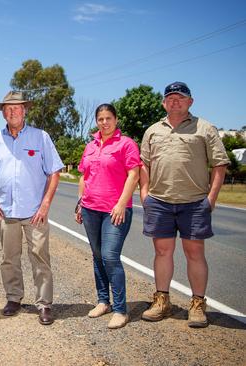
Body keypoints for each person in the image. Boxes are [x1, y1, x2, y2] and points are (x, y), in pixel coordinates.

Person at [139, 82, 229, 328]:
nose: (175, 101)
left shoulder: (205, 128)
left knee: (194, 253)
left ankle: (198, 304)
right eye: (170, 98)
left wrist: (210, 199)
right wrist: (145, 193)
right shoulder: (153, 131)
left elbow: (219, 165)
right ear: (163, 103)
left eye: (180, 98)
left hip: (194, 202)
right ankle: (162, 301)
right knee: (162, 252)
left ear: (190, 101)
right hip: (159, 201)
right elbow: (143, 164)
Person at [0, 91, 64, 325]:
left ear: (25, 110)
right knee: (9, 258)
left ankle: (44, 304)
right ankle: (14, 298)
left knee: (40, 257)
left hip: (36, 211)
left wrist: (46, 203)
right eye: (8, 108)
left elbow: (54, 171)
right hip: (6, 212)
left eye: (17, 107)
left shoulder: (41, 137)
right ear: (3, 112)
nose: (12, 111)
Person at [74, 103, 141, 329]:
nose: (104, 122)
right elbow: (84, 176)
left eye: (108, 118)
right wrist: (80, 203)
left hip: (115, 210)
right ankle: (103, 301)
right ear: (97, 121)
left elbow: (134, 175)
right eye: (100, 119)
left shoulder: (127, 144)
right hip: (91, 208)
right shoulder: (90, 145)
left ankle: (121, 310)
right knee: (97, 255)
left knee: (110, 256)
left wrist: (122, 204)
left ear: (116, 119)